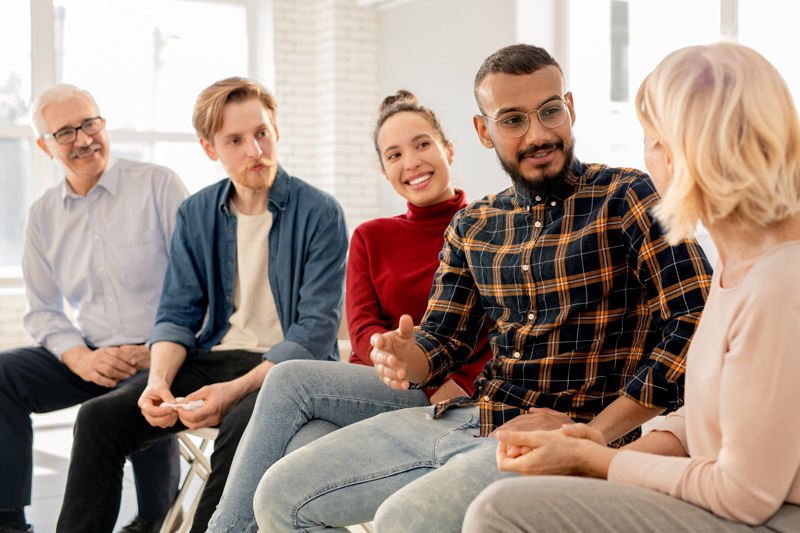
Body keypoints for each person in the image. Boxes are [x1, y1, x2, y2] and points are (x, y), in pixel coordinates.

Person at [253, 44, 713, 532]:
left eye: (550, 111)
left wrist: (593, 435)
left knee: (404, 522)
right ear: (484, 131)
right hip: (467, 418)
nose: (538, 135)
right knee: (278, 497)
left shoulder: (627, 197)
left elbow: (695, 321)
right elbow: (441, 342)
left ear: (570, 108)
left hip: (566, 436)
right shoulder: (474, 224)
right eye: (513, 120)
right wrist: (406, 358)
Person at [463, 42, 800, 533]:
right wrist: (589, 449)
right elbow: (706, 420)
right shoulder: (740, 269)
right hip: (727, 497)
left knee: (499, 512)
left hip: (767, 517)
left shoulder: (779, 282)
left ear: (681, 150)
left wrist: (595, 462)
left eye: (652, 137)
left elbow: (745, 495)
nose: (650, 156)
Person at [55, 77, 349, 533]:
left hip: (290, 373)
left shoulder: (321, 214)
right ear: (211, 149)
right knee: (100, 418)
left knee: (240, 425)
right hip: (216, 358)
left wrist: (234, 392)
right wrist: (157, 381)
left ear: (276, 130)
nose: (255, 149)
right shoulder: (195, 213)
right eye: (235, 140)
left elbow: (313, 332)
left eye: (262, 133)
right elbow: (176, 315)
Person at [207, 90, 494, 532]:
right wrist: (394, 356)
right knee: (301, 449)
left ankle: (224, 529)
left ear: (448, 149)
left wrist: (445, 379)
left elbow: (494, 327)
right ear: (385, 171)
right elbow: (362, 327)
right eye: (394, 154)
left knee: (290, 381)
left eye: (422, 144)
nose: (412, 162)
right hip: (374, 385)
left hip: (446, 395)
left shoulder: (486, 224)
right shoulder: (370, 236)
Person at [0, 84, 187, 533]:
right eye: (65, 132)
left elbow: (198, 283)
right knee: (3, 374)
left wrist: (158, 347)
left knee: (146, 395)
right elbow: (43, 309)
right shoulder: (43, 215)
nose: (83, 139)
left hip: (160, 353)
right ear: (45, 146)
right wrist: (82, 358)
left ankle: (153, 520)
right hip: (93, 359)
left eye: (89, 123)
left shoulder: (158, 185)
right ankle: (7, 521)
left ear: (103, 124)